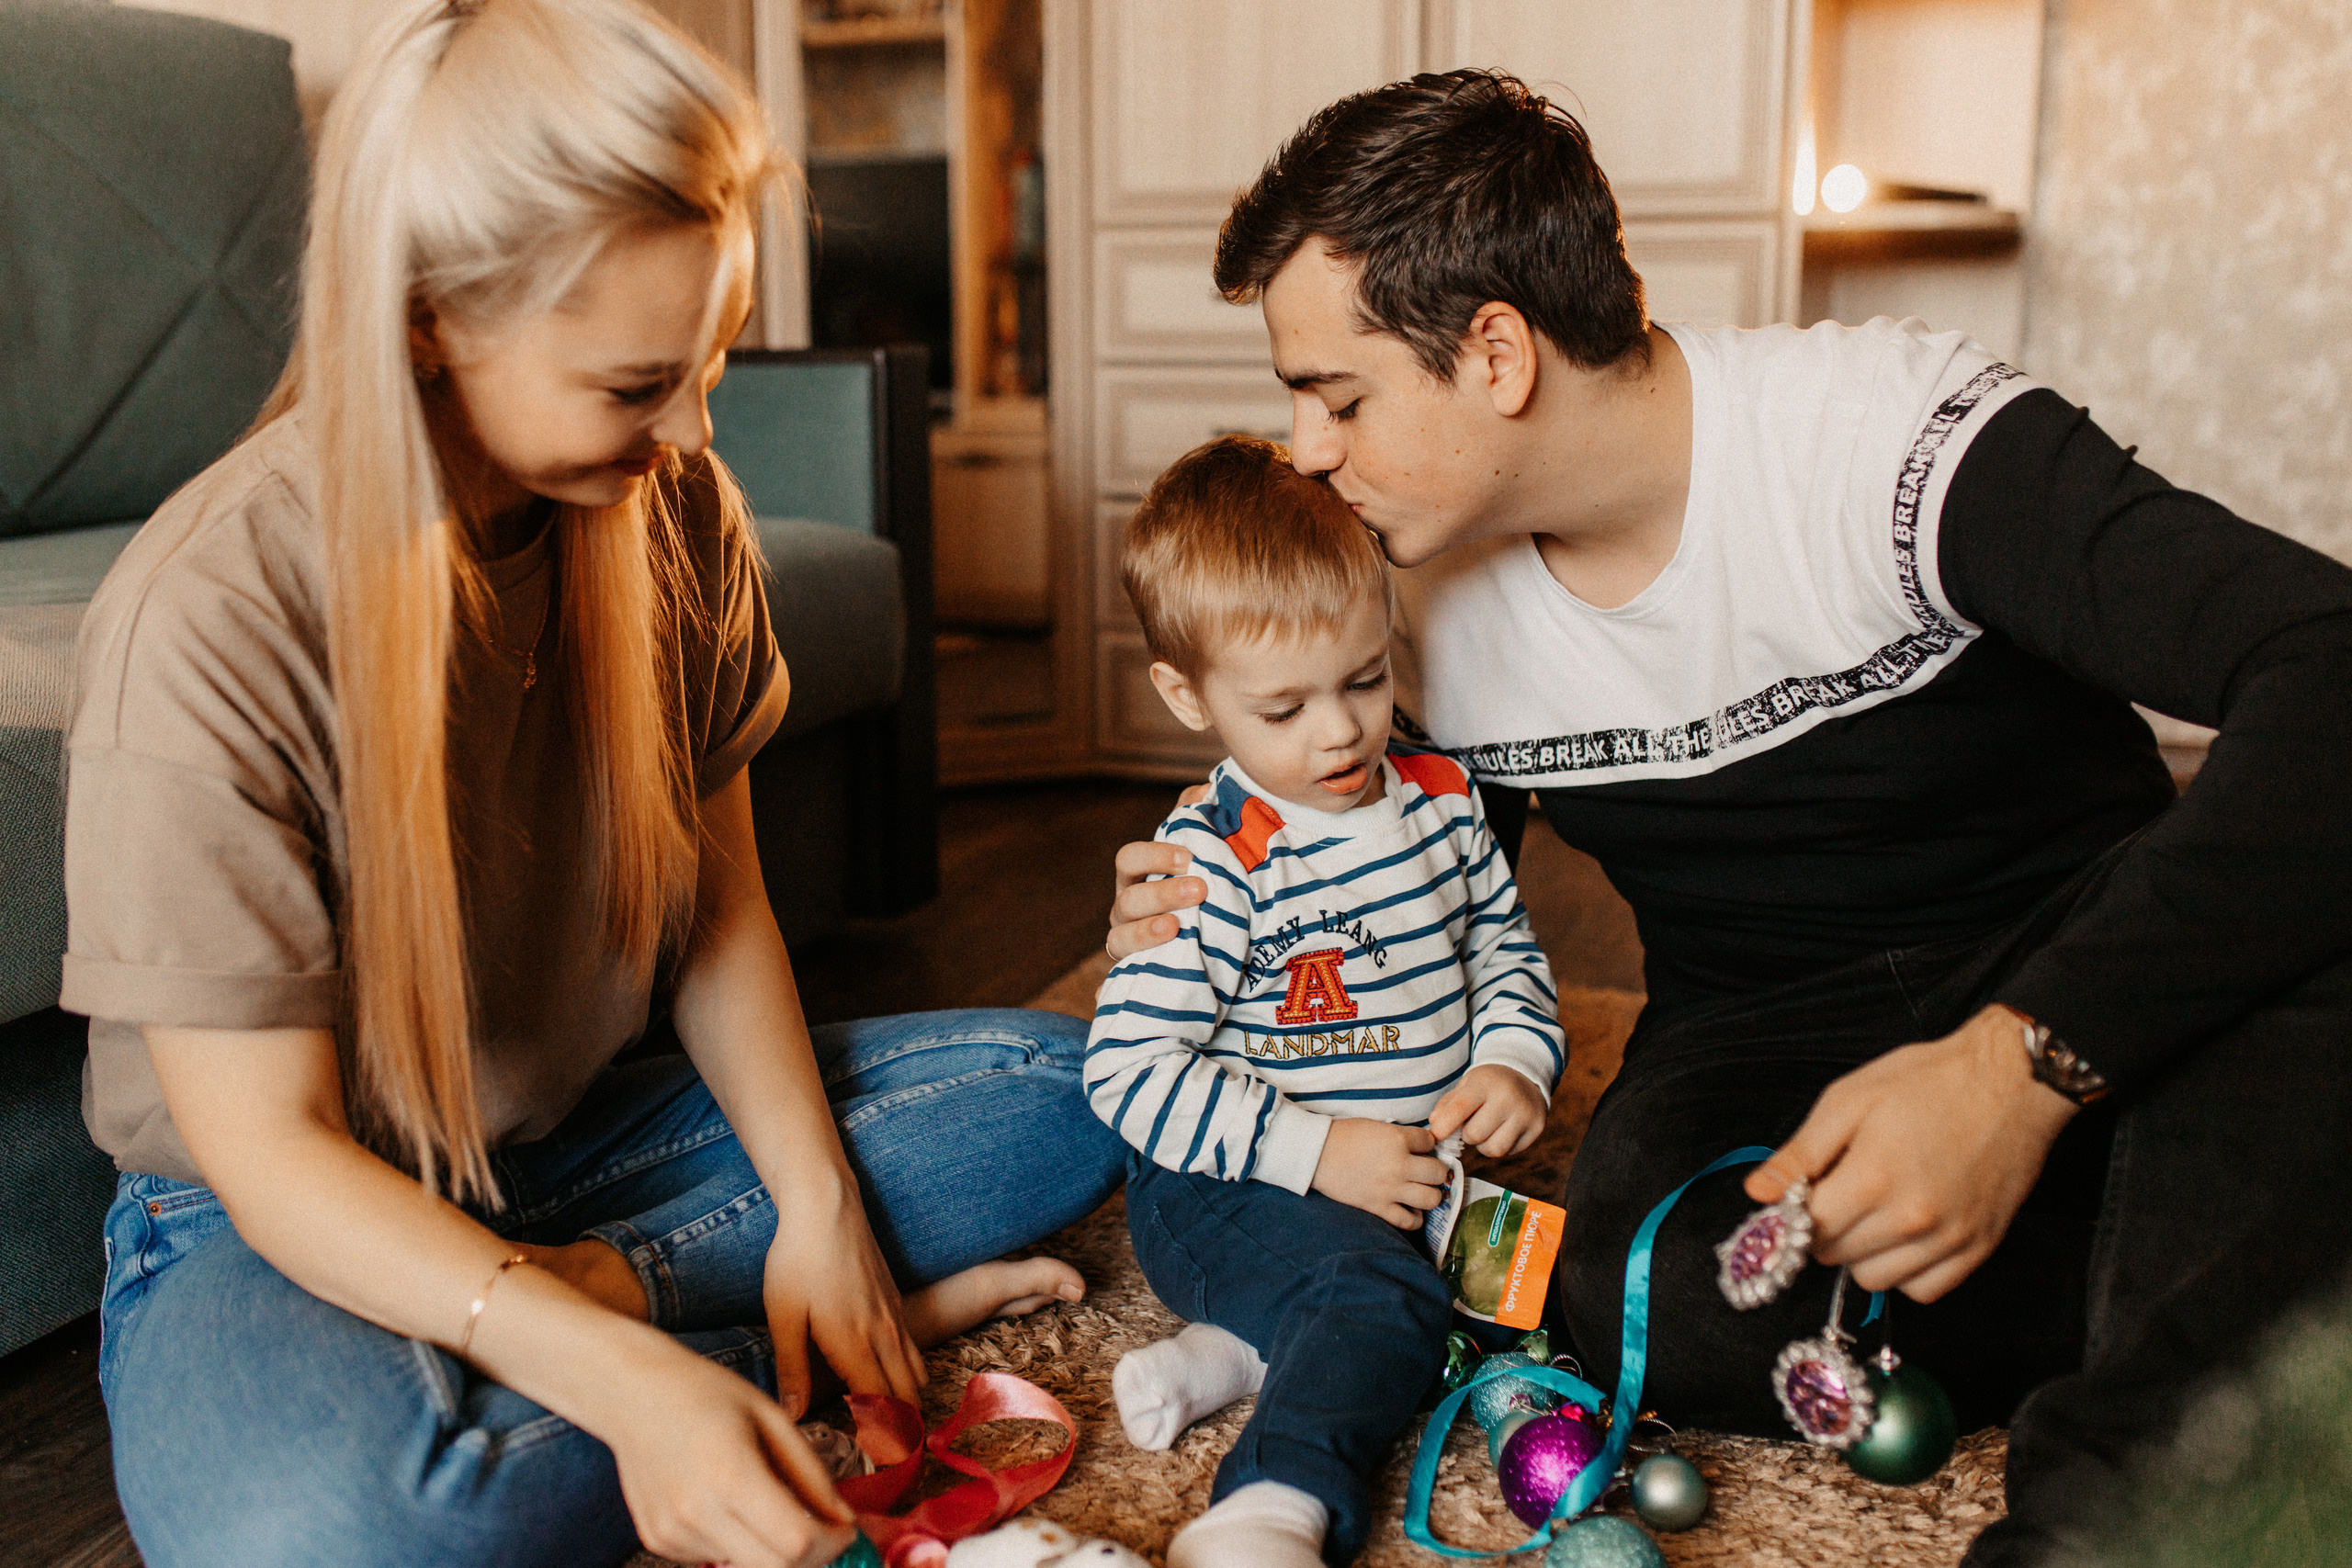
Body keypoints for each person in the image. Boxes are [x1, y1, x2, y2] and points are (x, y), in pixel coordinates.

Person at [1104, 70, 2352, 1564]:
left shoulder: (1888, 435)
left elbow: (2325, 665)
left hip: (2078, 966)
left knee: (2301, 920)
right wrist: (1209, 902)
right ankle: (2230, 1267)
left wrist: (2019, 1073)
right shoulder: (1415, 604)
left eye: (1339, 394)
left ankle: (2114, 1496)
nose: (1305, 446)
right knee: (1637, 1286)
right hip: (1770, 1031)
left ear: (1495, 352)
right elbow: (1404, 918)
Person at [62, 5, 1123, 1566]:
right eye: (636, 385)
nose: (693, 432)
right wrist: (637, 1383)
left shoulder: (670, 512)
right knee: (332, 1531)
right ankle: (728, 1360)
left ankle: (616, 1296)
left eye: (703, 367)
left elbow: (716, 916)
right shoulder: (210, 617)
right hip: (270, 1212)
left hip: (580, 1142)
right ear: (427, 317)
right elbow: (272, 1150)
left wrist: (819, 1208)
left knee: (1068, 1091)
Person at [1086, 436, 1566, 1568]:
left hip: (1409, 1180)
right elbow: (1126, 1072)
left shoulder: (1444, 803)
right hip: (1227, 1185)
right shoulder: (1209, 864)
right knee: (1374, 1305)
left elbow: (1500, 946)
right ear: (1186, 694)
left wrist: (1513, 1060)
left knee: (1546, 1291)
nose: (1340, 731)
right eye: (1283, 707)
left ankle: (1234, 1356)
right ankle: (1266, 1508)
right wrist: (1314, 1153)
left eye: (1362, 679)